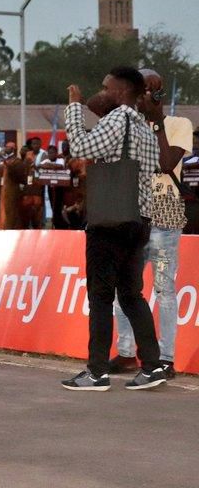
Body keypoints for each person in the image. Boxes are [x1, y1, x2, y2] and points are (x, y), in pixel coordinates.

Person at [61, 67, 165, 391]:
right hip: (139, 221)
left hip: (109, 221)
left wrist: (75, 108)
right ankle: (152, 365)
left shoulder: (119, 119)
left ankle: (96, 373)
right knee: (132, 295)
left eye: (104, 86)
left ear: (119, 92)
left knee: (101, 297)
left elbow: (80, 147)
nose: (100, 90)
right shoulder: (145, 129)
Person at [110, 69, 191, 379]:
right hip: (133, 214)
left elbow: (166, 163)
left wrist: (156, 120)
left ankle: (166, 358)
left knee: (163, 288)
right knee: (125, 289)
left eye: (150, 91)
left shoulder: (178, 124)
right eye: (139, 90)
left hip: (166, 213)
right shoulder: (127, 126)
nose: (143, 96)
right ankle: (128, 352)